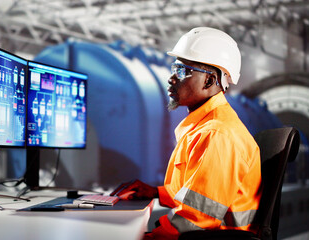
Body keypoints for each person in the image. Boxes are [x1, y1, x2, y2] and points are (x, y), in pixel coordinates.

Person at [111, 27, 262, 240]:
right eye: (174, 69)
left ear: (209, 81)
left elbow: (195, 220)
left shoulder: (217, 135)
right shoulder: (204, 127)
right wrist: (156, 192)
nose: (171, 78)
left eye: (181, 71)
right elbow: (198, 195)